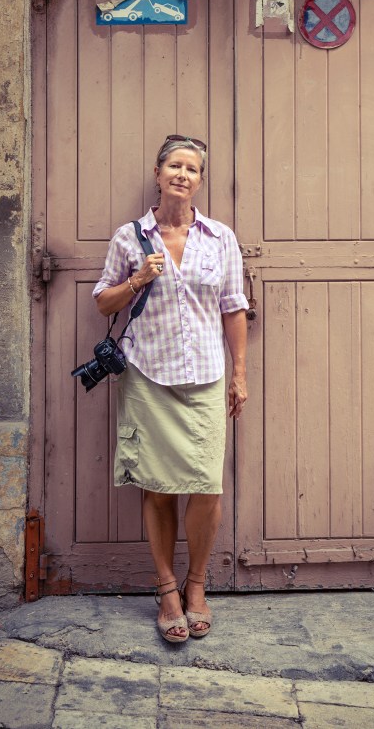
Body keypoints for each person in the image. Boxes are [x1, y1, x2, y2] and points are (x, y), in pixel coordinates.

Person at [92, 135, 248, 643]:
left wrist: (239, 372)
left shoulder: (220, 238)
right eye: (174, 166)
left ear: (200, 180)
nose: (183, 175)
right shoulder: (129, 237)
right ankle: (166, 589)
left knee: (206, 487)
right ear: (158, 174)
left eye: (193, 169)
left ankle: (197, 584)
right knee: (157, 488)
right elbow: (103, 304)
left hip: (205, 374)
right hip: (147, 375)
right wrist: (137, 279)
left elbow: (233, 306)